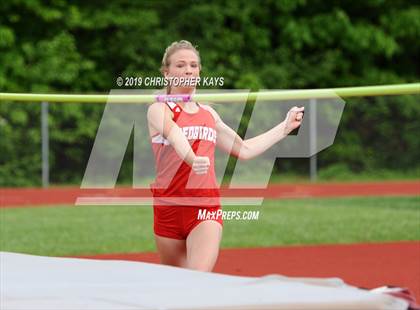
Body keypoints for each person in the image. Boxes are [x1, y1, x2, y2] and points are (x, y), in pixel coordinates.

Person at [147, 40, 304, 272]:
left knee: (197, 283)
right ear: (166, 73)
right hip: (167, 208)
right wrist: (192, 158)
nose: (188, 70)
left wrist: (285, 127)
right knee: (175, 286)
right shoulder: (158, 109)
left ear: (199, 71)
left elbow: (244, 150)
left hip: (205, 208)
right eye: (180, 65)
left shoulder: (209, 114)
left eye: (193, 65)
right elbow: (175, 133)